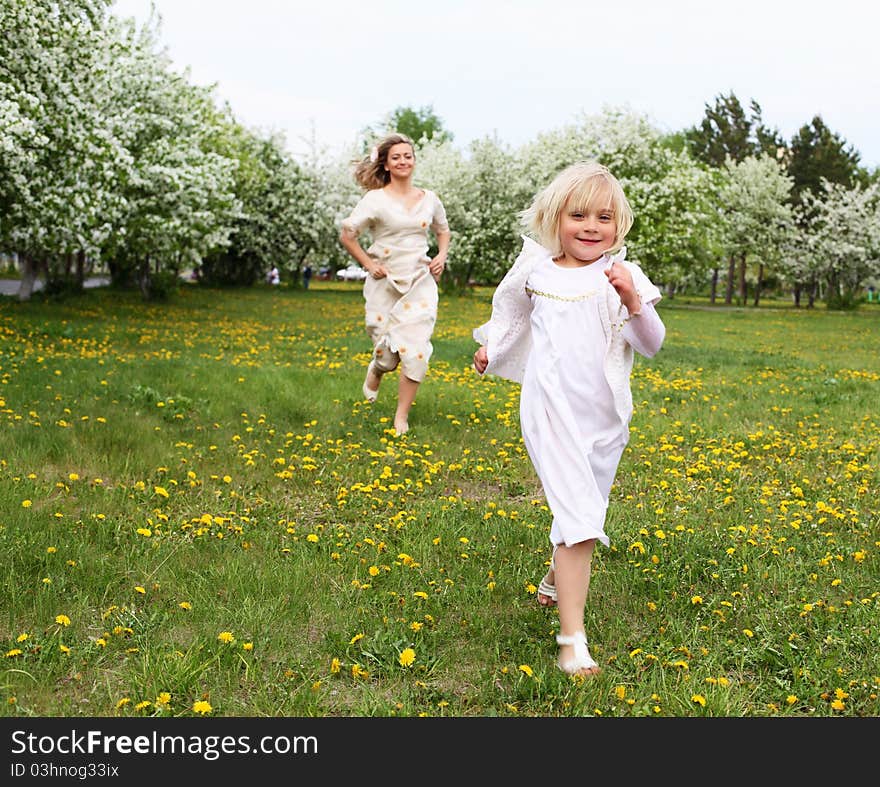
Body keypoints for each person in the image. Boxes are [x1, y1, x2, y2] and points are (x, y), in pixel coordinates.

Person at [472, 161, 666, 677]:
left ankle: (555, 579)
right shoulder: (536, 271)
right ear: (555, 217)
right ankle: (571, 641)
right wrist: (490, 347)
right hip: (548, 411)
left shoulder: (621, 276)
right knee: (580, 519)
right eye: (578, 214)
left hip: (603, 418)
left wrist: (632, 300)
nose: (591, 226)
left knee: (585, 508)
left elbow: (651, 345)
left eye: (604, 217)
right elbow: (509, 313)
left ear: (618, 225)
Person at [339, 132, 451, 436]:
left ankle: (401, 417)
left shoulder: (429, 199)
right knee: (387, 352)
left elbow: (443, 231)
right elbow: (348, 234)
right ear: (386, 165)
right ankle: (377, 368)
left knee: (415, 350)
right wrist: (368, 263)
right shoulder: (374, 200)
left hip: (419, 280)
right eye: (396, 157)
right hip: (385, 281)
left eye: (408, 156)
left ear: (414, 161)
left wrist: (441, 255)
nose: (403, 161)